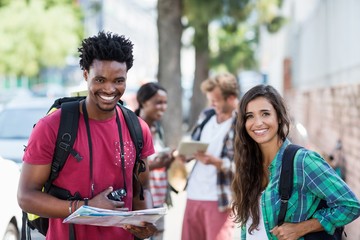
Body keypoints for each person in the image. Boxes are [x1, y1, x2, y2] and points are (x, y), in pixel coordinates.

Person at [17, 31, 157, 240]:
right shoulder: (53, 127)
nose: (109, 89)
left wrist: (145, 222)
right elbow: (26, 196)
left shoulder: (138, 128)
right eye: (100, 79)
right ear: (85, 75)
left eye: (118, 80)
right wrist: (86, 207)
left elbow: (142, 186)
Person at [231, 84, 360, 240]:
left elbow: (350, 205)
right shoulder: (248, 163)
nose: (257, 123)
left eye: (265, 114)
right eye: (249, 116)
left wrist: (302, 228)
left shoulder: (302, 161)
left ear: (278, 117)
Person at [181, 73, 238, 240]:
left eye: (216, 100)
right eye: (210, 99)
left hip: (218, 199)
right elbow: (194, 143)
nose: (212, 104)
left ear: (231, 98)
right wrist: (185, 154)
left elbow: (246, 168)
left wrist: (217, 163)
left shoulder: (241, 124)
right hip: (193, 194)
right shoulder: (207, 116)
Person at [135, 82, 175, 240]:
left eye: (165, 103)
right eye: (158, 102)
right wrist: (154, 164)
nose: (163, 107)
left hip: (159, 199)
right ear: (144, 102)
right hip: (141, 203)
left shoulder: (158, 129)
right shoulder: (134, 128)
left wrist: (170, 160)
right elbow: (130, 167)